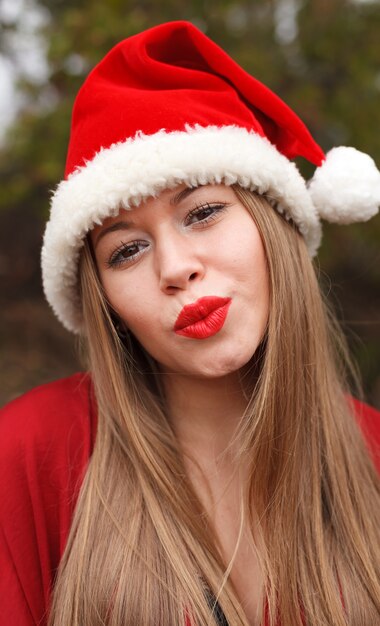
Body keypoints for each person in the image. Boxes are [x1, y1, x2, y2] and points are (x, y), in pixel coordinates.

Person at [0, 20, 379, 626]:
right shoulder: (23, 455)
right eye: (126, 251)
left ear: (273, 225)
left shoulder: (374, 453)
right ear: (105, 303)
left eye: (202, 212)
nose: (176, 269)